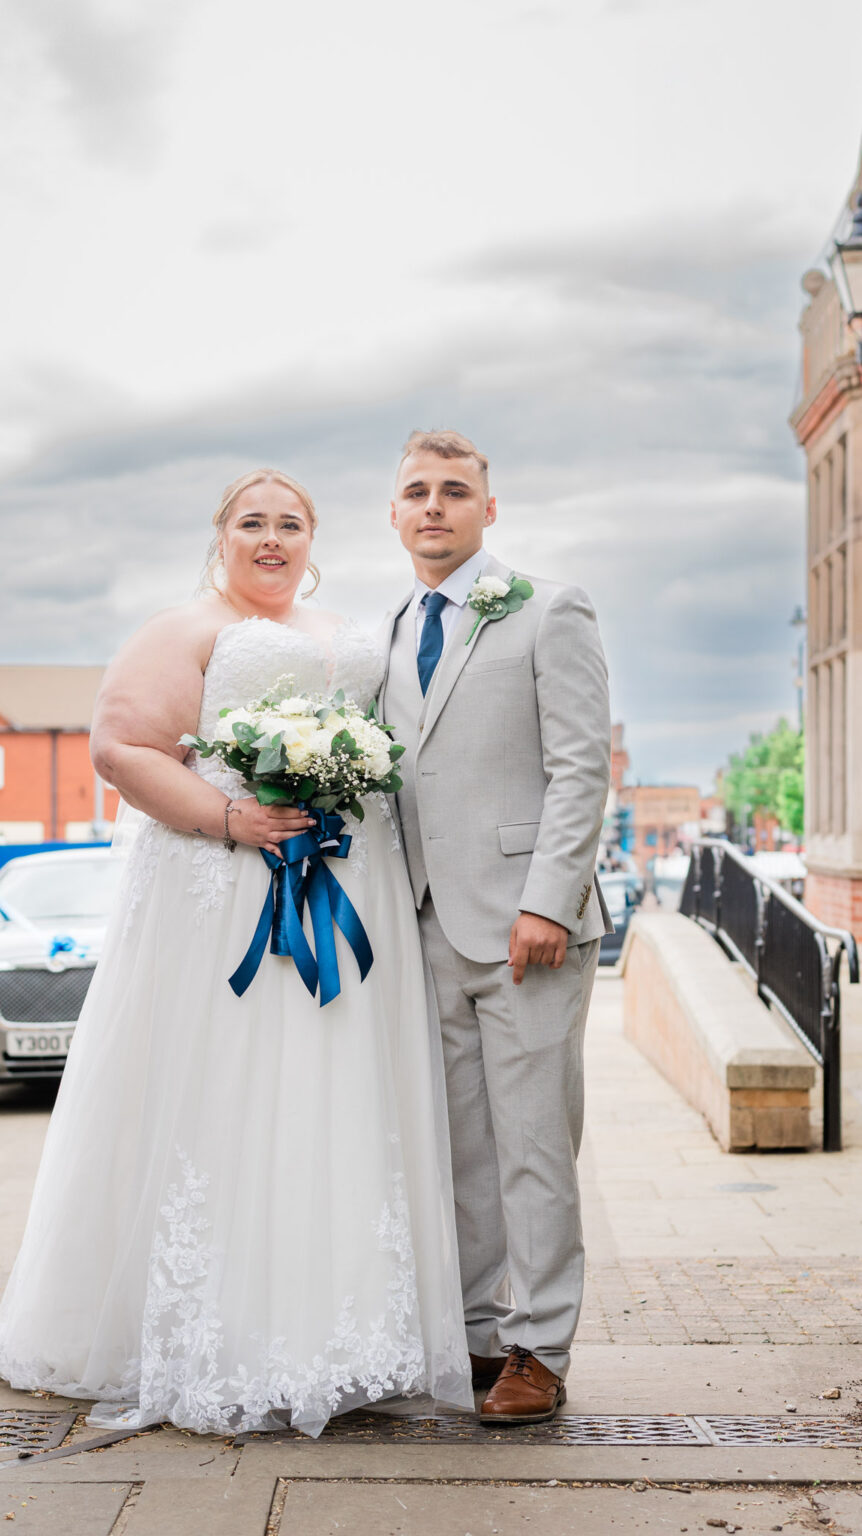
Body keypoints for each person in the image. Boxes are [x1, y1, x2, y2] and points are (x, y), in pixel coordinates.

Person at [0, 468, 473, 1437]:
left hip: (347, 893)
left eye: (290, 524)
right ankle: (226, 1334)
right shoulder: (185, 628)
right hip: (229, 893)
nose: (272, 539)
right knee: (236, 1099)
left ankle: (344, 1331)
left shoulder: (345, 628)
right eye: (253, 522)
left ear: (314, 538)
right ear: (221, 535)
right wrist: (232, 819)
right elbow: (121, 748)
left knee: (338, 1098)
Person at [379, 429, 612, 1425]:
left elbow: (580, 766)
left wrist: (547, 901)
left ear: (488, 509)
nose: (435, 506)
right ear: (394, 514)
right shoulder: (388, 629)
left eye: (455, 491)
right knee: (460, 1147)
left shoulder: (548, 607)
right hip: (426, 925)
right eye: (417, 492)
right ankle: (478, 1337)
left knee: (533, 1146)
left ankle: (540, 1347)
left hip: (529, 929)